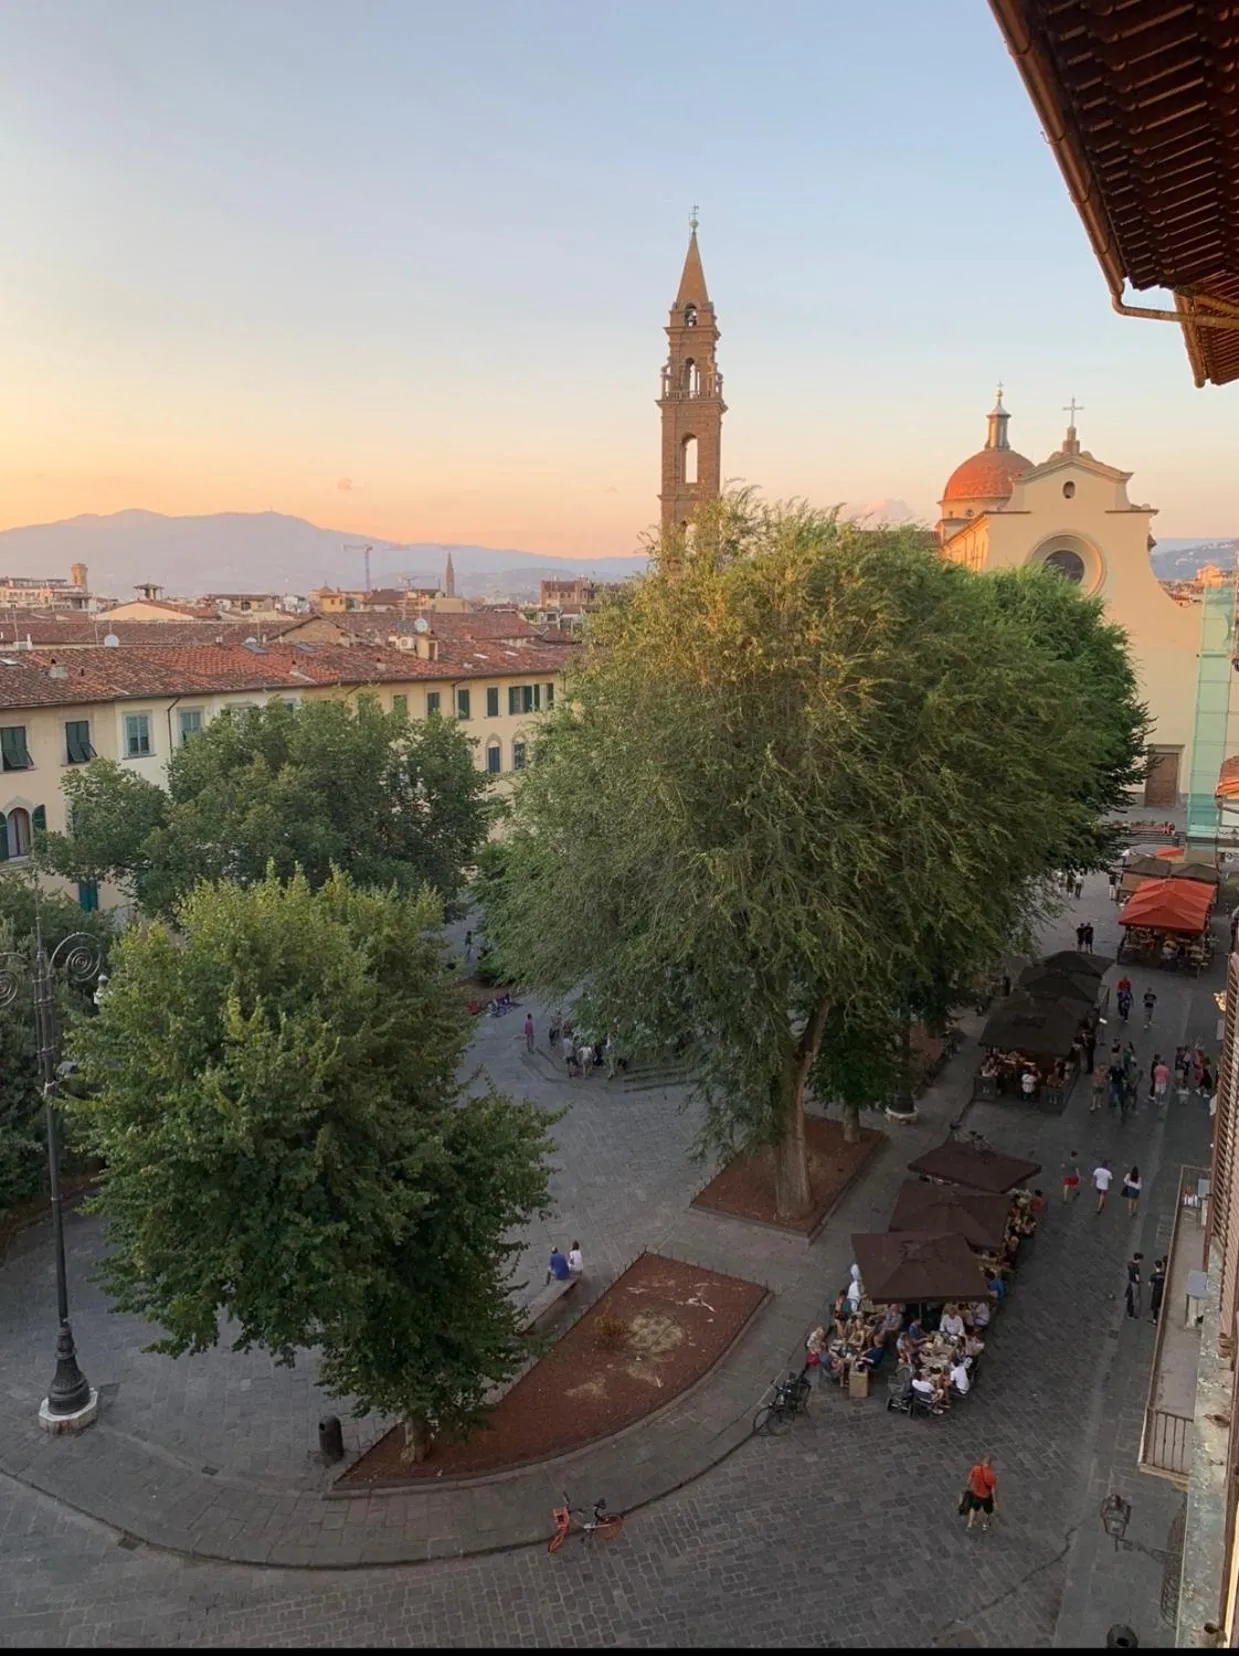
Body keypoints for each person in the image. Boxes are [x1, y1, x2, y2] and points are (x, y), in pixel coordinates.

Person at [962, 1456, 998, 1533]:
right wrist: (994, 1501)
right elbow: (993, 1490)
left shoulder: (976, 1469)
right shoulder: (992, 1476)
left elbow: (969, 1480)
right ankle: (984, 1525)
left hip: (976, 1494)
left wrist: (967, 1486)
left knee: (973, 1508)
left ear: (982, 1462)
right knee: (987, 1512)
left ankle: (970, 1523)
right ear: (990, 1465)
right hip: (986, 1497)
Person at [1125, 1252, 1144, 1318]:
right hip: (1135, 1284)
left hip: (1130, 1282)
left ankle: (1128, 1310)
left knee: (1130, 1297)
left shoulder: (1129, 1263)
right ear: (1138, 1259)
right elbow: (1137, 1278)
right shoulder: (1136, 1268)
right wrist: (1141, 1281)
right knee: (1136, 1299)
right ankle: (1134, 1314)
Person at [1149, 1257, 1167, 1325]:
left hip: (1156, 1291)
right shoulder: (1164, 1274)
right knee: (1160, 1304)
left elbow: (1150, 1284)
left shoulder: (1153, 1276)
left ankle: (1155, 1320)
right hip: (1162, 1290)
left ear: (1155, 1266)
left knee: (1155, 1306)